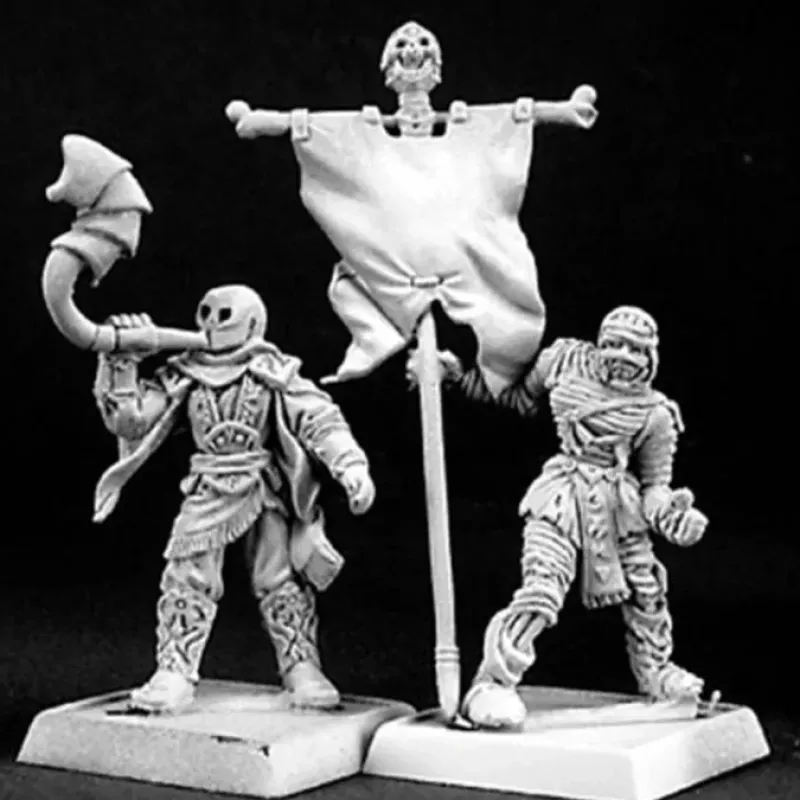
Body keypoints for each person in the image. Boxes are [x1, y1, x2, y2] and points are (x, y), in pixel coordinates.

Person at [408, 305, 708, 729]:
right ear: (599, 343)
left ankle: (656, 671)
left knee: (647, 591)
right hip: (561, 495)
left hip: (619, 507)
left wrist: (673, 518)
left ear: (650, 357)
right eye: (614, 344)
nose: (622, 357)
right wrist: (454, 377)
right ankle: (492, 681)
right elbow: (513, 398)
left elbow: (655, 486)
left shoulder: (656, 414)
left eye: (635, 350)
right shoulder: (563, 361)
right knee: (542, 588)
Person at [93, 285, 375, 714]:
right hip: (207, 487)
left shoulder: (274, 371)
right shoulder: (184, 372)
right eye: (204, 312)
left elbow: (318, 418)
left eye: (223, 314)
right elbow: (131, 423)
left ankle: (301, 665)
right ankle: (174, 669)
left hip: (262, 486)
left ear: (253, 323)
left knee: (279, 578)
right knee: (187, 577)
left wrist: (349, 464)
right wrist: (122, 363)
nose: (210, 323)